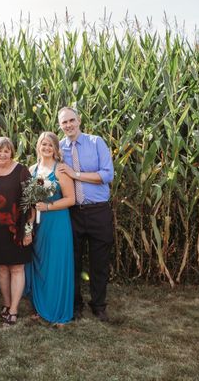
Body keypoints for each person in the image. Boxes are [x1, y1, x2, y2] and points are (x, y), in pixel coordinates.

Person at [57, 106, 114, 322]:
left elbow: (108, 175)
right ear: (60, 126)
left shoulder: (95, 142)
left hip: (98, 211)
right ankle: (75, 305)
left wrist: (75, 174)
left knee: (99, 261)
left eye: (72, 120)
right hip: (72, 213)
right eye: (64, 122)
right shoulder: (59, 148)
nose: (69, 125)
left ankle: (99, 305)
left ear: (79, 120)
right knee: (72, 262)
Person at [24, 132, 75, 325]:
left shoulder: (61, 170)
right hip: (39, 224)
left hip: (57, 222)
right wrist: (28, 226)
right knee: (40, 264)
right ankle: (40, 307)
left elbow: (71, 199)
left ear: (55, 149)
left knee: (55, 265)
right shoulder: (32, 169)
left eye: (50, 145)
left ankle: (58, 311)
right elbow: (29, 201)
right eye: (43, 144)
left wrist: (48, 206)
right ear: (38, 146)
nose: (46, 148)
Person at [0, 137, 33, 326]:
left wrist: (28, 230)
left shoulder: (22, 171)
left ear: (11, 152)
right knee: (2, 268)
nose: (3, 154)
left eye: (6, 151)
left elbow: (31, 203)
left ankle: (14, 309)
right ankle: (6, 303)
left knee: (17, 267)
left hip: (17, 226)